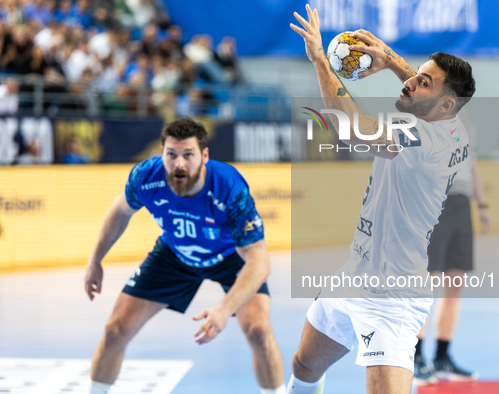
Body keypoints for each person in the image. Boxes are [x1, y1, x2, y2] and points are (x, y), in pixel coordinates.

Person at [289, 5, 475, 394]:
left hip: (392, 297)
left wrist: (321, 61)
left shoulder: (421, 138)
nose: (410, 84)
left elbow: (353, 130)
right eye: (418, 76)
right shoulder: (455, 128)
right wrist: (390, 59)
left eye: (424, 83)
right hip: (354, 273)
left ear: (443, 105)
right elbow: (431, 91)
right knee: (305, 364)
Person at [84, 118, 286, 394]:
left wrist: (225, 309)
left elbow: (259, 262)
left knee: (259, 331)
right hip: (175, 253)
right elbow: (120, 211)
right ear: (161, 154)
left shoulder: (229, 188)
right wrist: (95, 260)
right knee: (114, 330)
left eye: (188, 155)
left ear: (204, 156)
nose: (179, 164)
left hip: (230, 257)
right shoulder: (146, 176)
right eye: (171, 155)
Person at [413, 123, 491, 383]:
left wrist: (482, 204)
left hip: (461, 203)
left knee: (455, 282)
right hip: (434, 200)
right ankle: (415, 357)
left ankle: (442, 356)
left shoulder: (464, 119)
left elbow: (473, 163)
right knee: (428, 282)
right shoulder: (426, 113)